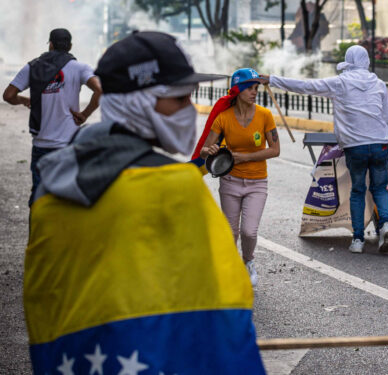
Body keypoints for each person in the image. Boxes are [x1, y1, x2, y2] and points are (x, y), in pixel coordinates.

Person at [24, 31, 265, 374]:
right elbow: (225, 303)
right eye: (178, 99)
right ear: (138, 101)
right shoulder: (174, 188)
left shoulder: (51, 183)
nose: (188, 110)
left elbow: (42, 300)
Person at [258, 45, 388, 254]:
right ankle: (385, 225)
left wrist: (273, 79)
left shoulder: (340, 83)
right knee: (379, 188)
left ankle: (358, 240)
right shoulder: (379, 84)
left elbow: (306, 86)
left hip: (355, 147)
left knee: (358, 190)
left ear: (349, 61)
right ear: (366, 61)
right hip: (379, 144)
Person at [3, 28, 102, 207]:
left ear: (50, 44)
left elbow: (8, 95)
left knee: (39, 199)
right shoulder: (80, 68)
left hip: (42, 145)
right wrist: (85, 114)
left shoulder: (32, 66)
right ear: (70, 46)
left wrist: (25, 100)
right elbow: (99, 90)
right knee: (69, 199)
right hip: (69, 145)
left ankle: (38, 233)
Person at [199, 68, 280, 286]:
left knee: (249, 231)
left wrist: (244, 157)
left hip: (257, 183)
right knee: (231, 231)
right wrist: (211, 150)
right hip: (230, 182)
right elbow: (205, 148)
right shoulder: (223, 118)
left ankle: (248, 261)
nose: (254, 92)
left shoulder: (265, 115)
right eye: (249, 88)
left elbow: (275, 150)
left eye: (256, 88)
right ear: (238, 90)